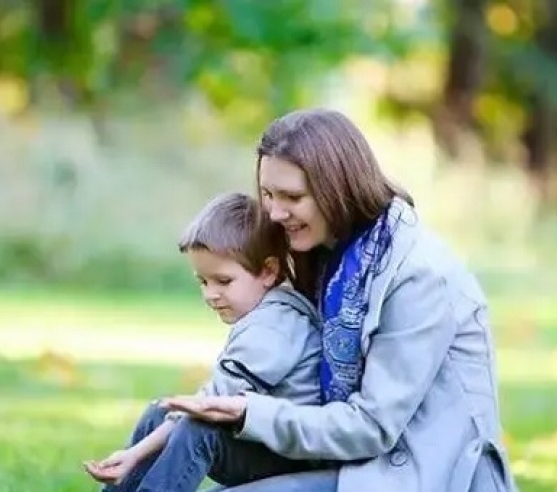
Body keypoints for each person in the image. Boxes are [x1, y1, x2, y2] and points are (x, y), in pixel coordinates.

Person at [162, 108, 518, 492]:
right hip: (347, 463)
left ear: (338, 187)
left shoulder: (418, 275)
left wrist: (252, 412)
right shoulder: (332, 256)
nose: (275, 213)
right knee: (168, 427)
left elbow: (373, 427)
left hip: (416, 475)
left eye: (292, 197)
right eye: (267, 194)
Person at [83, 192, 335, 492]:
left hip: (291, 456)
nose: (210, 294)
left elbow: (210, 406)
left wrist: (135, 454)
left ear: (268, 271)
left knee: (197, 428)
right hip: (260, 440)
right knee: (160, 412)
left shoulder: (275, 327)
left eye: (223, 281)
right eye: (203, 281)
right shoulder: (265, 316)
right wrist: (133, 456)